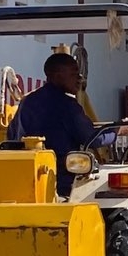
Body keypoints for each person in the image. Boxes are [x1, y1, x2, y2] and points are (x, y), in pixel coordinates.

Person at [9, 54, 96, 196]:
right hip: (63, 184)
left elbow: (12, 136)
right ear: (57, 76)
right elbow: (92, 138)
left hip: (28, 182)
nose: (79, 79)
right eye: (74, 74)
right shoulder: (68, 106)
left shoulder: (26, 103)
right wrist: (117, 133)